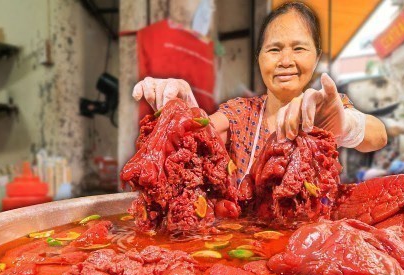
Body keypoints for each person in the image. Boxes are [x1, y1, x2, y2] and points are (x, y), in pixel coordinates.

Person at [132, 1, 387, 182]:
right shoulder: (242, 112)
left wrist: (346, 126)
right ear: (259, 58)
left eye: (299, 49)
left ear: (317, 57)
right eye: (274, 50)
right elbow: (205, 134)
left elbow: (378, 136)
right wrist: (184, 113)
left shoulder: (326, 106)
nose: (286, 61)